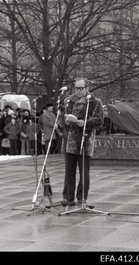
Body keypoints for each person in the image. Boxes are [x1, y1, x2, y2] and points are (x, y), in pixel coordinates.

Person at [60, 78, 104, 211]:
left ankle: (82, 198)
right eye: (76, 88)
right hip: (70, 140)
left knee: (84, 171)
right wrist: (65, 122)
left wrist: (84, 123)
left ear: (86, 88)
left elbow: (99, 120)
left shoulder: (95, 102)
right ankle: (68, 197)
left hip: (85, 140)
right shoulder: (68, 100)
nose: (78, 91)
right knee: (69, 171)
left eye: (81, 88)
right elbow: (61, 117)